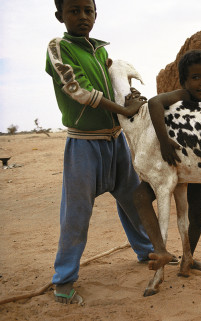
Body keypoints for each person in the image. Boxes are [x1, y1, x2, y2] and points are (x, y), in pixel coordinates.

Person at [46, 0, 154, 304]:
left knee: (135, 199)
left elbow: (113, 89)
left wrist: (130, 96)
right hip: (84, 143)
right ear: (60, 15)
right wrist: (122, 108)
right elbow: (75, 88)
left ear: (96, 14)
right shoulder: (58, 46)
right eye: (74, 10)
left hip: (116, 140)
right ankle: (63, 281)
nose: (83, 16)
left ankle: (146, 251)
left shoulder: (102, 51)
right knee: (76, 213)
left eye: (88, 11)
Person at [133, 50, 201, 272]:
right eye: (196, 78)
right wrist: (164, 141)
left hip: (194, 167)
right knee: (140, 196)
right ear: (185, 81)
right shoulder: (184, 96)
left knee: (198, 212)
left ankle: (189, 258)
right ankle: (160, 249)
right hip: (169, 163)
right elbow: (155, 103)